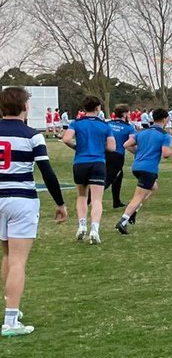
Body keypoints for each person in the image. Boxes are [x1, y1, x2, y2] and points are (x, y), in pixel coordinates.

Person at [0, 87, 68, 337]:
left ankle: (12, 308)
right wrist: (60, 203)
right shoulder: (32, 136)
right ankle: (10, 320)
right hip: (22, 201)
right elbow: (47, 172)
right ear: (25, 107)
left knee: (7, 255)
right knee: (18, 261)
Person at [62, 95, 116, 245]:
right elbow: (112, 147)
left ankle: (82, 226)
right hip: (98, 162)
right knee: (97, 199)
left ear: (84, 108)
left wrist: (76, 147)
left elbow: (66, 139)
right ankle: (95, 229)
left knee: (82, 196)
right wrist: (99, 147)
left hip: (80, 162)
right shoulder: (105, 125)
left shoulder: (76, 123)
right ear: (98, 108)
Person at [115, 109, 172, 235]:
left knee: (154, 187)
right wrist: (169, 152)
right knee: (138, 196)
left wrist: (138, 153)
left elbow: (126, 144)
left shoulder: (142, 132)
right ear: (164, 119)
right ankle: (123, 220)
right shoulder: (164, 135)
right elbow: (166, 153)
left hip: (137, 167)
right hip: (149, 169)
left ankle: (135, 210)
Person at [105, 105, 136, 210]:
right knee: (109, 179)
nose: (130, 115)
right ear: (124, 114)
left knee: (118, 176)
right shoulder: (129, 127)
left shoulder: (107, 124)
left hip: (104, 153)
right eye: (128, 113)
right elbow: (130, 144)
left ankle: (116, 201)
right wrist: (138, 153)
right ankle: (89, 199)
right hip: (117, 155)